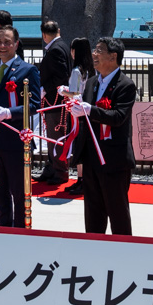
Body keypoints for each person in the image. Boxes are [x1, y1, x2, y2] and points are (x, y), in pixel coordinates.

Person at [67, 37, 137, 235]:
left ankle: (122, 254)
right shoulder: (90, 83)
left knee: (118, 214)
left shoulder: (125, 85)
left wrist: (89, 110)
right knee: (93, 213)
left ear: (113, 56)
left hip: (113, 160)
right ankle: (95, 253)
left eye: (99, 51)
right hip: (91, 159)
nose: (94, 55)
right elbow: (86, 119)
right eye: (94, 50)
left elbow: (118, 117)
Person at [0, 26, 41, 227]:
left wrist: (9, 113)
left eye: (7, 42)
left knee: (19, 193)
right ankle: (3, 229)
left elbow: (35, 105)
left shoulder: (28, 70)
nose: (2, 46)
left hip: (16, 142)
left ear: (16, 44)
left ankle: (21, 232)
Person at [36, 19, 72, 185]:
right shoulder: (63, 46)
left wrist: (45, 88)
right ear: (59, 30)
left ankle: (60, 171)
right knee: (53, 136)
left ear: (44, 35)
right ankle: (52, 168)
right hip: (55, 99)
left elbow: (61, 75)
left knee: (55, 136)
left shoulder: (56, 50)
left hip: (55, 100)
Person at [63, 36, 94, 196]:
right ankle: (83, 180)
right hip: (87, 111)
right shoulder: (90, 69)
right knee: (84, 146)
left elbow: (74, 93)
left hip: (76, 112)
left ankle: (81, 179)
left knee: (78, 146)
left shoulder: (76, 71)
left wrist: (62, 91)